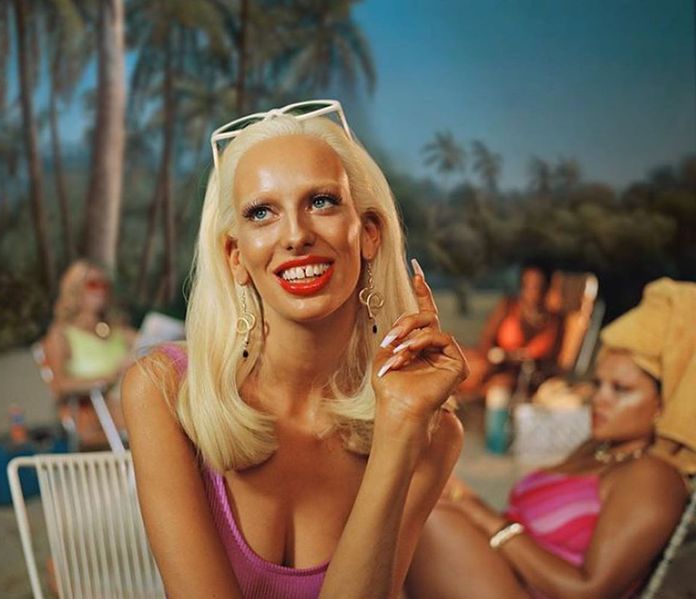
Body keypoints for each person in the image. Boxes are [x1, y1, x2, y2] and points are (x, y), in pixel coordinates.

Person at [121, 100, 469, 599]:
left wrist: (398, 431)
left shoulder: (430, 433)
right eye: (262, 213)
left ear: (369, 234)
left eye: (322, 202)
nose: (296, 236)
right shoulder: (164, 392)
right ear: (235, 256)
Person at [408, 277, 696, 598]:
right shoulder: (597, 450)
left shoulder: (654, 477)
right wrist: (467, 500)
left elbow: (589, 589)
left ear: (663, 405)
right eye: (598, 384)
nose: (599, 399)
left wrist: (486, 520)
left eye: (621, 390)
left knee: (422, 514)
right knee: (417, 495)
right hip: (498, 575)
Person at [43, 259, 137, 447]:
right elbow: (60, 385)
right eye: (93, 284)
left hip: (130, 398)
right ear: (75, 290)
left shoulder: (118, 330)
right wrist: (109, 379)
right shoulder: (62, 334)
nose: (101, 290)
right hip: (99, 412)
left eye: (105, 285)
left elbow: (153, 341)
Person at [458, 264, 561, 398]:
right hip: (493, 367)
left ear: (547, 288)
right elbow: (486, 341)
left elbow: (555, 363)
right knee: (476, 367)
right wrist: (498, 357)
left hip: (525, 378)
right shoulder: (508, 307)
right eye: (527, 285)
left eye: (537, 286)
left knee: (501, 386)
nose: (531, 291)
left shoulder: (554, 321)